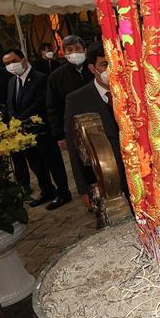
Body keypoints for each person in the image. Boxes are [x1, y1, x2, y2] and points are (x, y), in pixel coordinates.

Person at [2, 49, 71, 210]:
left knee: (53, 162)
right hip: (23, 134)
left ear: (24, 60)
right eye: (6, 64)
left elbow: (41, 103)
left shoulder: (40, 78)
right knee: (35, 164)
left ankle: (63, 192)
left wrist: (20, 120)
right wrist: (13, 122)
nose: (11, 66)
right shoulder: (12, 81)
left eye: (13, 61)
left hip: (42, 129)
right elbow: (10, 104)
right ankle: (47, 191)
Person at [64, 42, 128, 205]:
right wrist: (84, 189)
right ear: (93, 69)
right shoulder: (77, 99)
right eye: (105, 65)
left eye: (114, 63)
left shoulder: (131, 91)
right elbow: (74, 147)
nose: (111, 69)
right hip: (105, 178)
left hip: (136, 171)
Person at [47, 35, 94, 147]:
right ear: (64, 53)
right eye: (70, 50)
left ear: (85, 50)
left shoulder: (95, 68)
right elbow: (53, 107)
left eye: (78, 48)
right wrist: (60, 135)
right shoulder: (56, 76)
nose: (74, 52)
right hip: (74, 128)